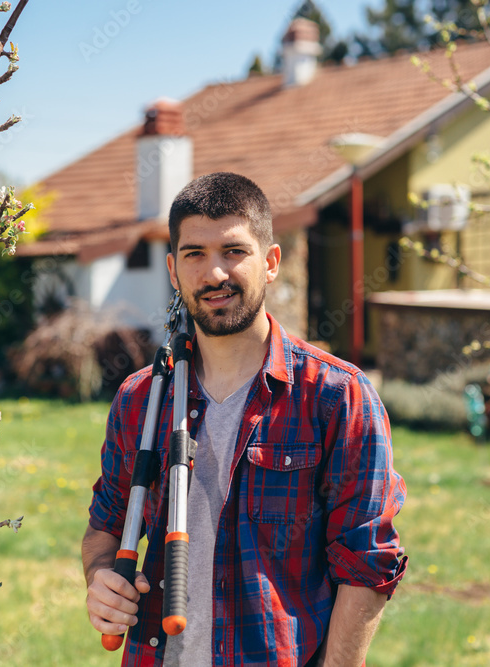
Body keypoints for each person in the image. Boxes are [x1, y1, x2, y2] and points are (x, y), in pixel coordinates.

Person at [83, 172, 407, 666]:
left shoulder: (337, 396)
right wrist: (100, 578)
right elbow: (105, 527)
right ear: (174, 270)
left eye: (233, 251)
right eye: (195, 254)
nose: (214, 273)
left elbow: (366, 560)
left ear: (271, 262)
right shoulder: (141, 398)